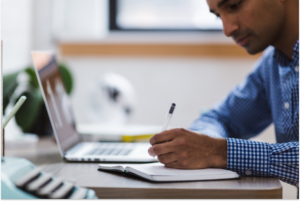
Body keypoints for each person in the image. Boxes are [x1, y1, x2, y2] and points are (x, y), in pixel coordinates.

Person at [148, 0, 300, 198]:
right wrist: (198, 146)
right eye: (218, 16)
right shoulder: (273, 63)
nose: (227, 30)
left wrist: (218, 152)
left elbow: (216, 148)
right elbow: (221, 118)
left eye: (234, 5)